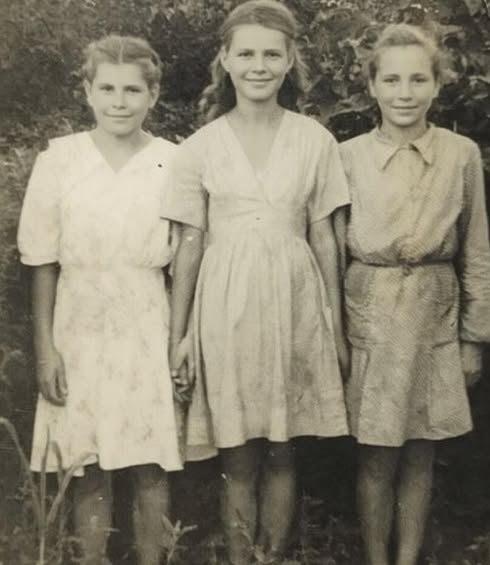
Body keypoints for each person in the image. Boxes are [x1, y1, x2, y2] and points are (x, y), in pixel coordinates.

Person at [161, 2, 350, 563]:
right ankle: (243, 557)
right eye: (245, 53)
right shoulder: (200, 146)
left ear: (290, 61)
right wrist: (180, 335)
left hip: (294, 305)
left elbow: (325, 240)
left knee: (284, 449)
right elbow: (189, 246)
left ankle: (273, 555)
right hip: (225, 308)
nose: (258, 66)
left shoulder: (315, 140)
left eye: (271, 54)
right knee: (238, 453)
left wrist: (336, 328)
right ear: (225, 59)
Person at [17, 35, 183, 565]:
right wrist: (46, 349)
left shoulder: (173, 161)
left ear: (153, 95)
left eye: (132, 90)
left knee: (150, 462)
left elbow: (186, 262)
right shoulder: (60, 160)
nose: (119, 102)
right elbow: (42, 259)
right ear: (87, 91)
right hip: (79, 323)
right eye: (107, 88)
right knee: (87, 463)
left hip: (146, 319)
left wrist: (180, 341)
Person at [340, 23, 490, 565]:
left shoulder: (461, 155)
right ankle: (376, 558)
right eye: (391, 80)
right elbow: (331, 253)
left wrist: (475, 338)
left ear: (437, 85)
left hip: (434, 314)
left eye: (417, 80)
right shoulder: (347, 157)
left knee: (420, 450)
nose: (404, 93)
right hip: (371, 313)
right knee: (376, 452)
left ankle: (407, 559)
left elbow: (475, 249)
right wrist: (337, 336)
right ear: (371, 86)